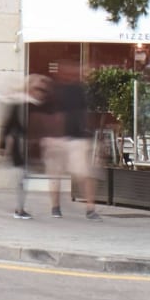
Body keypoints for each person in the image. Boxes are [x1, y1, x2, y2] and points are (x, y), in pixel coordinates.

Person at [43, 61, 99, 220]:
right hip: (57, 138)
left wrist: (87, 132)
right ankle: (56, 207)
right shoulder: (53, 90)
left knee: (84, 174)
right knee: (56, 175)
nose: (70, 74)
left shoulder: (78, 90)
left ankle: (90, 208)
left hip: (76, 138)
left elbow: (84, 113)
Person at [0, 79, 39, 219]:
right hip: (15, 146)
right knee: (20, 176)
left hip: (14, 144)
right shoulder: (19, 101)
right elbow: (11, 123)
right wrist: (4, 144)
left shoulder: (21, 101)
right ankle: (18, 210)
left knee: (11, 176)